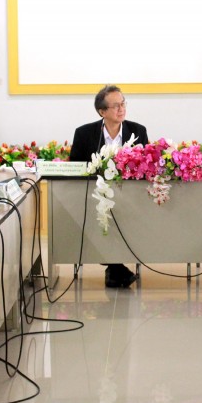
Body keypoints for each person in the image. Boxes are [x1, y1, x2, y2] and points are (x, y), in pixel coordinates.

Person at [70, 85, 149, 288]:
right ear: (102, 112)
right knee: (102, 217)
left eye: (123, 104)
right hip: (94, 199)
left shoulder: (138, 131)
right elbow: (76, 169)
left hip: (130, 199)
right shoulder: (84, 133)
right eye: (115, 106)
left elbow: (145, 167)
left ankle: (115, 269)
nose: (121, 109)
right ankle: (115, 269)